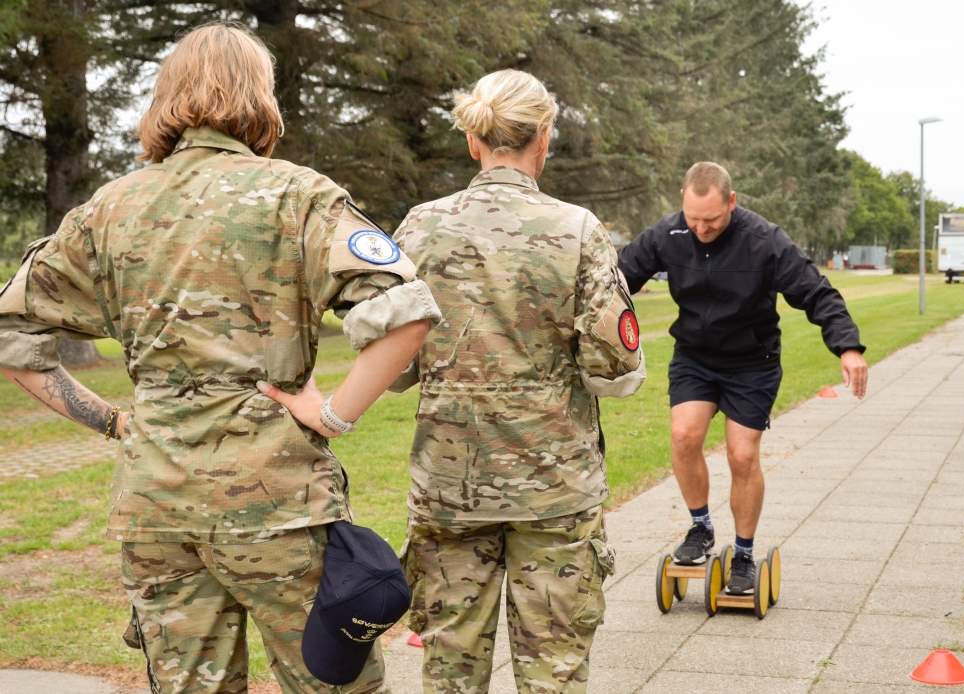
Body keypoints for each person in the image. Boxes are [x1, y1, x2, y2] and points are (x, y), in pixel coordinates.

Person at [0, 23, 440, 693]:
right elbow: (407, 314)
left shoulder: (109, 210)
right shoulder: (299, 196)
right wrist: (334, 414)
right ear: (260, 96)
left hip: (158, 513)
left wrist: (113, 422)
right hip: (279, 509)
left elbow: (12, 336)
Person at [391, 69, 645, 693]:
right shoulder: (579, 230)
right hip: (554, 488)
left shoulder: (419, 228)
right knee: (552, 673)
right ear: (545, 137)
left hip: (450, 485)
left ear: (474, 142)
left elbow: (393, 367)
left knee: (450, 668)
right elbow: (615, 365)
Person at [619, 162, 867, 595]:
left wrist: (847, 346)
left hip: (753, 361)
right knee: (683, 435)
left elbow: (815, 292)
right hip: (695, 356)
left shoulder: (764, 241)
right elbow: (616, 279)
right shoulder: (669, 233)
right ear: (683, 201)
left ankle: (746, 554)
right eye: (693, 218)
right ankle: (700, 528)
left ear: (732, 202)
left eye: (712, 219)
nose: (701, 229)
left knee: (742, 454)